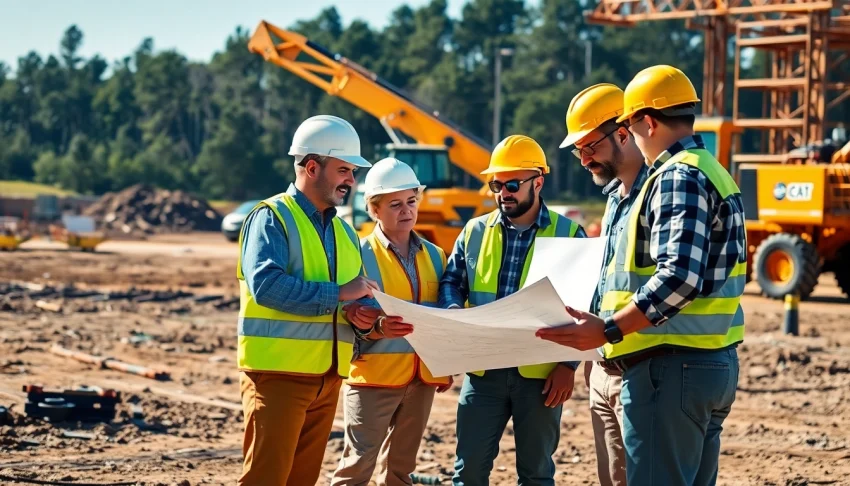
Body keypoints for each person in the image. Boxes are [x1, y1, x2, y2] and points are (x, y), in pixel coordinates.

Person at [538, 65, 747, 486]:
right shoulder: (710, 170)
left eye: (629, 127)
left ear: (646, 123)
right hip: (697, 361)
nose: (629, 135)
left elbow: (679, 278)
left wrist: (609, 330)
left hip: (670, 365)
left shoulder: (676, 176)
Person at [236, 114, 380, 486]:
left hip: (327, 377)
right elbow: (267, 286)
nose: (352, 180)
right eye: (344, 170)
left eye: (353, 171)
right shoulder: (272, 218)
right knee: (265, 480)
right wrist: (340, 294)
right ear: (312, 166)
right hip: (279, 377)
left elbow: (342, 306)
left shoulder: (345, 232)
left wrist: (361, 318)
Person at [440, 134, 587, 486]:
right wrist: (452, 310)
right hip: (483, 373)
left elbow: (584, 307)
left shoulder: (571, 234)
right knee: (468, 473)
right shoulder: (475, 232)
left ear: (538, 181)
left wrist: (568, 366)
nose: (503, 192)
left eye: (512, 184)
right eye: (496, 184)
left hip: (541, 378)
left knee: (536, 475)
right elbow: (452, 282)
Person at [330, 157, 453, 486]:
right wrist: (376, 327)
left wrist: (446, 363)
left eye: (411, 201)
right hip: (373, 378)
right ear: (373, 209)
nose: (406, 210)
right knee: (356, 467)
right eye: (395, 204)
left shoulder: (436, 255)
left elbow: (439, 318)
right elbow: (346, 317)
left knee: (400, 470)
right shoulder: (358, 253)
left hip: (421, 379)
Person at [559, 82, 649, 486]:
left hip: (646, 366)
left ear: (624, 134)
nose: (583, 159)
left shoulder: (661, 189)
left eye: (589, 146)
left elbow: (678, 280)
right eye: (578, 151)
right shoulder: (615, 198)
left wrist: (610, 330)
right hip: (607, 363)